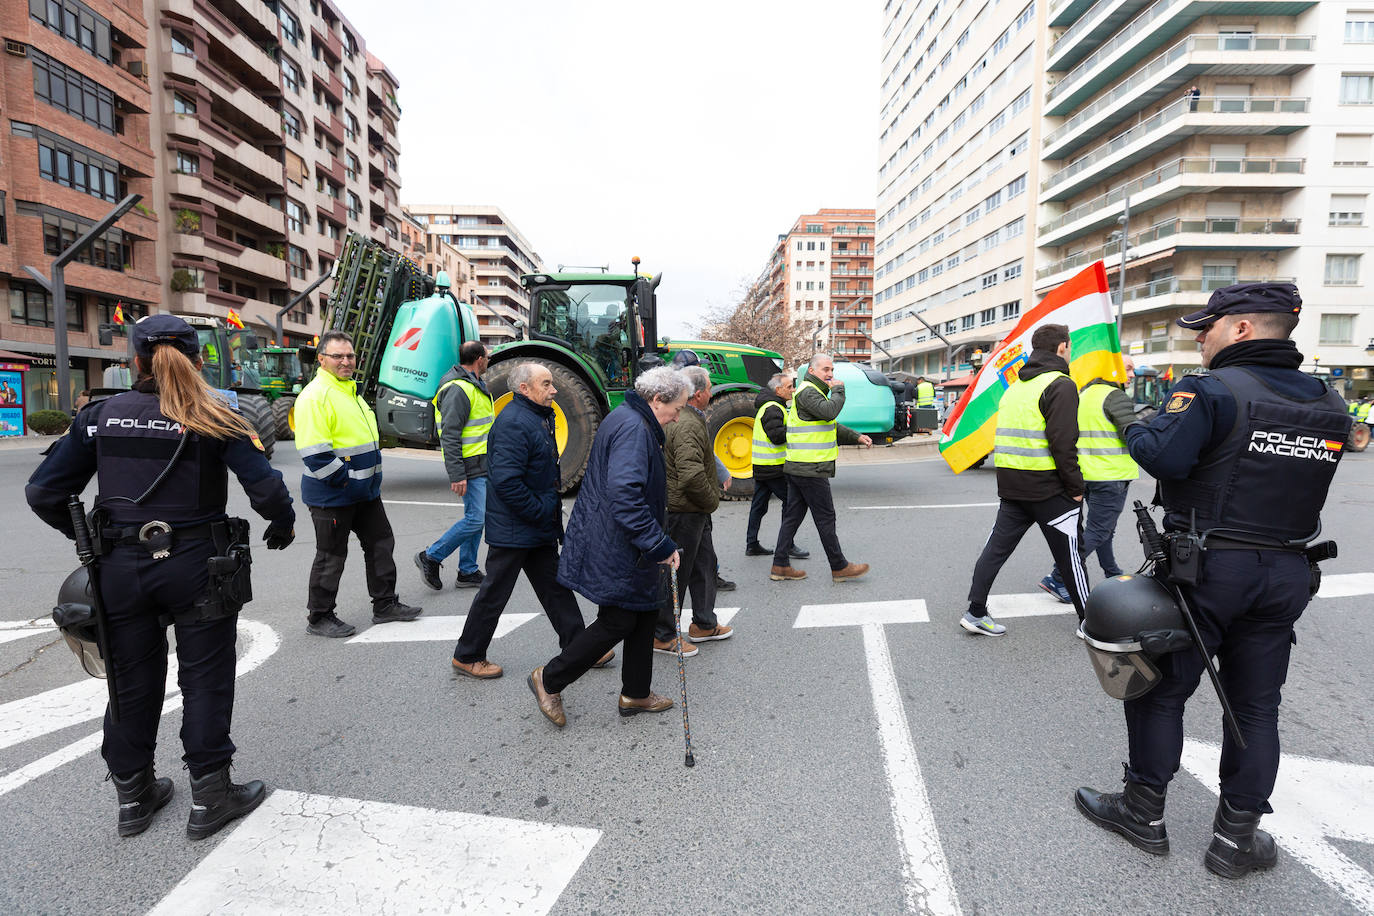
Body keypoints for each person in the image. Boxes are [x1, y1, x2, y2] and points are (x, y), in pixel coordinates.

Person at [1075, 283, 1351, 878]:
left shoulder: (1210, 390)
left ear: (1243, 329)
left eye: (1209, 327)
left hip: (1208, 569)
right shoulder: (1329, 403)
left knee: (1162, 691)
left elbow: (1164, 458)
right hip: (1285, 572)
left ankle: (1142, 813)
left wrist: (1123, 414)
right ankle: (1236, 841)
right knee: (1256, 707)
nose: (1200, 337)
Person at [24, 314, 296, 840]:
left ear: (134, 363)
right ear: (198, 360)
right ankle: (210, 798)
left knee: (129, 681)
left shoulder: (100, 417)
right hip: (200, 567)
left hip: (120, 568)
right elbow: (266, 490)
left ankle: (134, 798)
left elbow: (44, 492)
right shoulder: (218, 415)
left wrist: (89, 541)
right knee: (205, 679)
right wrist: (281, 523)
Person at [528, 367, 686, 727]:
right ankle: (549, 679)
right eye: (675, 408)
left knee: (645, 610)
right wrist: (658, 543)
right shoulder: (634, 428)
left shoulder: (631, 417)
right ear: (657, 399)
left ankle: (636, 692)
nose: (677, 416)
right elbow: (626, 496)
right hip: (620, 542)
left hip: (621, 539)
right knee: (618, 619)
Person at [447, 363, 611, 678]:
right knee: (494, 592)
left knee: (555, 587)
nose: (554, 390)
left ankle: (578, 647)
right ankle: (467, 655)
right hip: (517, 526)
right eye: (546, 384)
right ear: (525, 389)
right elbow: (507, 483)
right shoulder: (514, 423)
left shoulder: (535, 417)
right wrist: (541, 511)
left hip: (532, 525)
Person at [961, 323, 1088, 636]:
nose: (1070, 351)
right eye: (1070, 346)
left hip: (1013, 486)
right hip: (1050, 489)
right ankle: (1090, 623)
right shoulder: (1060, 384)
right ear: (1061, 348)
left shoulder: (1016, 386)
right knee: (1071, 555)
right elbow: (1063, 443)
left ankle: (975, 611)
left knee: (995, 549)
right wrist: (1076, 489)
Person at [296, 330, 421, 637]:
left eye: (350, 356)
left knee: (381, 544)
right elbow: (316, 455)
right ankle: (319, 617)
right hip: (334, 494)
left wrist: (363, 485)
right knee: (331, 556)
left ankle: (385, 605)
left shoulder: (350, 392)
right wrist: (349, 483)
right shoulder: (315, 396)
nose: (346, 361)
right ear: (322, 359)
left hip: (364, 492)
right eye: (337, 356)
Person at [1039, 356, 1138, 601]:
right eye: (1128, 368)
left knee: (1103, 530)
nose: (1132, 374)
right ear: (1112, 368)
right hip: (1111, 475)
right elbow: (1132, 435)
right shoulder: (1115, 397)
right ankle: (1058, 577)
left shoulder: (1084, 395)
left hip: (1088, 474)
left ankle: (1112, 572)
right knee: (1099, 530)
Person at [769, 353, 873, 583]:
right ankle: (839, 566)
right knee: (825, 517)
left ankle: (780, 564)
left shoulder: (811, 392)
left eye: (832, 370)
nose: (831, 374)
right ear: (813, 371)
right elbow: (829, 412)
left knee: (793, 517)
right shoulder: (808, 391)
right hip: (810, 467)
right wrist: (839, 390)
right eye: (826, 369)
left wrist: (856, 436)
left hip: (800, 466)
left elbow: (827, 424)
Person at [653, 365, 733, 658]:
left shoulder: (691, 418)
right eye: (710, 387)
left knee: (704, 565)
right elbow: (690, 474)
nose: (712, 392)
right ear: (698, 394)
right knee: (678, 573)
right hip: (685, 509)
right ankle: (662, 635)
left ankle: (704, 623)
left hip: (693, 508)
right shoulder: (686, 423)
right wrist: (711, 500)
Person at [415, 341, 492, 590]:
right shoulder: (458, 389)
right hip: (469, 466)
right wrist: (457, 474)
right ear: (479, 359)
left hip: (481, 463)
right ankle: (432, 555)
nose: (488, 360)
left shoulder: (473, 384)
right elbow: (450, 435)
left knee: (476, 518)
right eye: (487, 357)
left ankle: (467, 570)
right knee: (475, 519)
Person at [745, 372, 809, 560]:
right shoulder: (773, 408)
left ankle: (752, 544)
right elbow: (777, 436)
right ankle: (787, 544)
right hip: (773, 467)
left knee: (758, 506)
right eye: (789, 387)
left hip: (763, 465)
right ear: (778, 390)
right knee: (792, 503)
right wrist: (797, 431)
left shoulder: (770, 405)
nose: (793, 390)